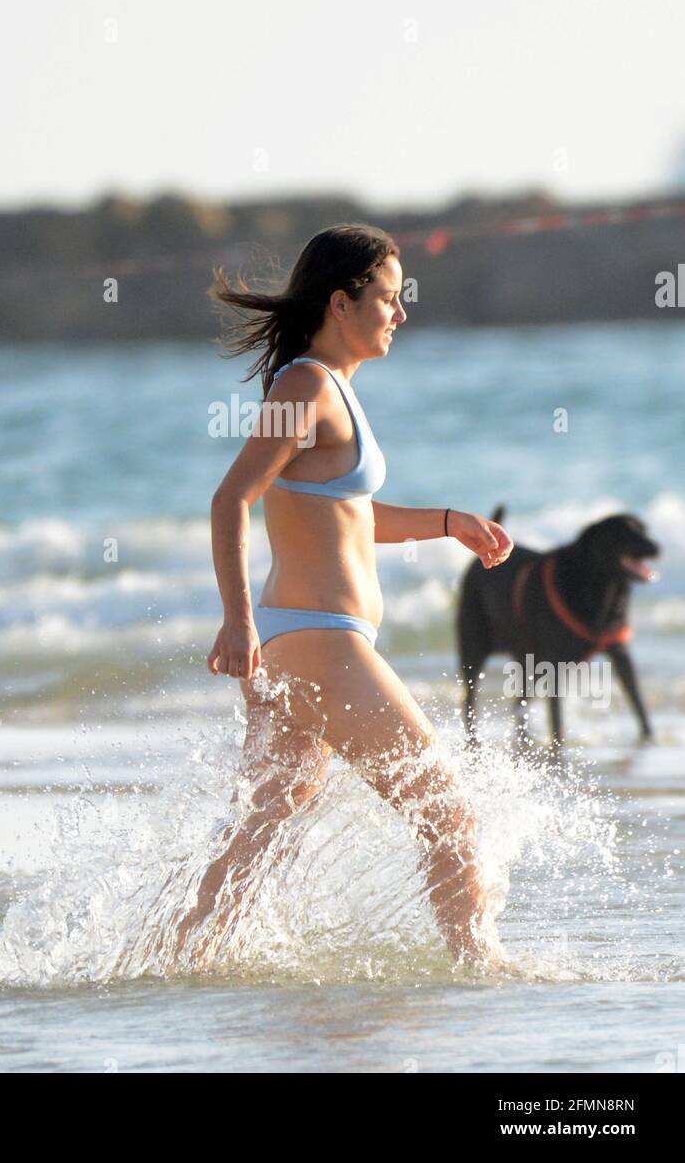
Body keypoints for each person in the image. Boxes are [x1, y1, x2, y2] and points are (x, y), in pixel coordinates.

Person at [174, 224, 514, 968]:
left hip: (299, 637)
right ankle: (482, 970)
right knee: (448, 815)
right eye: (388, 299)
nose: (400, 314)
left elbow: (352, 515)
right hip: (317, 641)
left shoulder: (332, 390)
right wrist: (237, 623)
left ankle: (180, 960)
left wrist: (450, 523)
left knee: (270, 816)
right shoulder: (305, 386)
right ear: (341, 301)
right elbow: (233, 498)